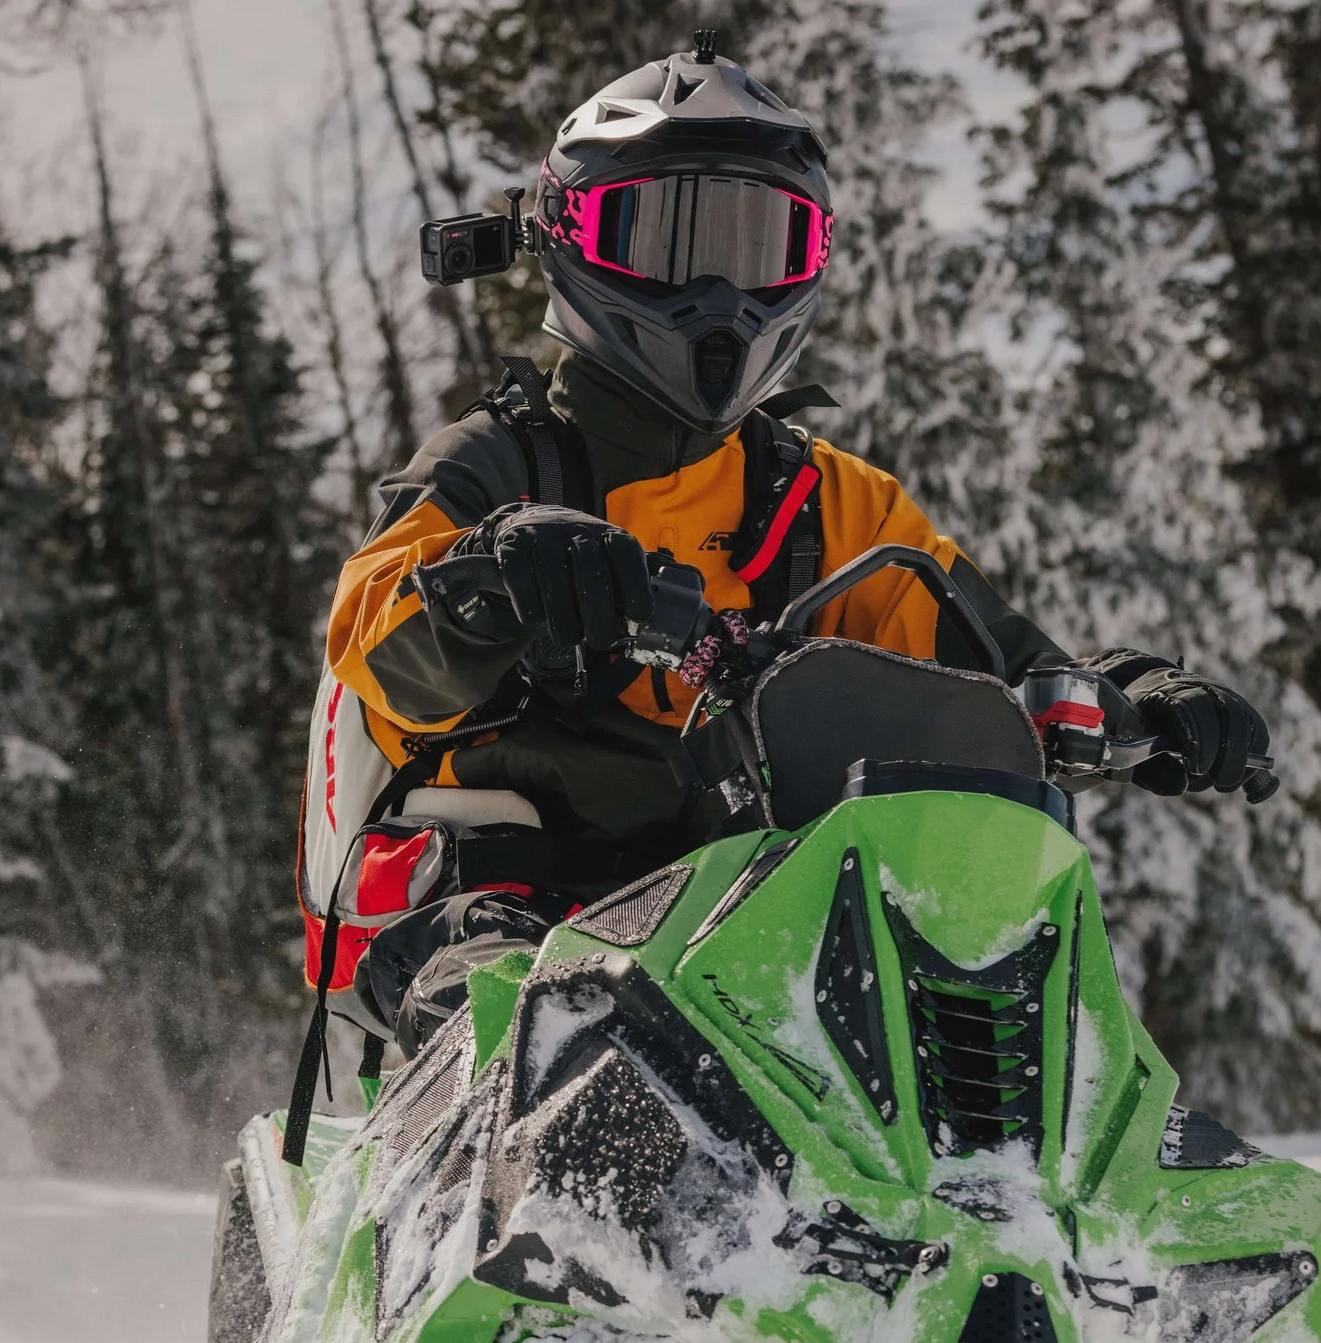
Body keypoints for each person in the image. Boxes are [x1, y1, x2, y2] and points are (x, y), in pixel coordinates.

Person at [305, 36, 1272, 1060]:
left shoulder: (822, 499)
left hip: (756, 926)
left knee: (985, 1026)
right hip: (514, 896)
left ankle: (1055, 1204)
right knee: (541, 1021)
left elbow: (988, 662)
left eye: (761, 245)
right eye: (665, 240)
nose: (717, 296)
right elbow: (371, 635)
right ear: (569, 238)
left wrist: (1126, 695)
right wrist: (492, 577)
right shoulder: (495, 465)